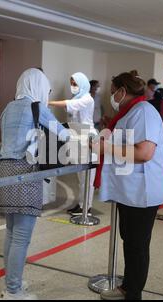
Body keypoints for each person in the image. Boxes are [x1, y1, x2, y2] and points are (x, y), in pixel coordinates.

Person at [93, 72, 163, 300]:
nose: (111, 96)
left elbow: (144, 153)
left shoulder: (143, 112)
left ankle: (132, 293)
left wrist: (105, 148)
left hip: (142, 191)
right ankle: (127, 286)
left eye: (112, 91)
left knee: (137, 244)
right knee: (130, 240)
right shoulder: (129, 113)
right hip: (129, 190)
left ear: (122, 91)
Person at [0, 68, 69, 300]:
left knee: (10, 232)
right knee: (21, 237)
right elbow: (62, 134)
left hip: (3, 170)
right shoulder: (37, 107)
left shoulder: (8, 108)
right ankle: (13, 290)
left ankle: (12, 283)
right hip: (24, 171)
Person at [49, 72, 96, 216]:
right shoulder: (77, 97)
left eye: (75, 84)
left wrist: (47, 102)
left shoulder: (87, 98)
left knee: (88, 177)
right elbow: (69, 109)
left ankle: (86, 207)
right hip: (77, 137)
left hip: (88, 138)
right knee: (80, 177)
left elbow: (68, 105)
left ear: (82, 83)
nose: (72, 86)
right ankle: (81, 204)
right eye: (71, 83)